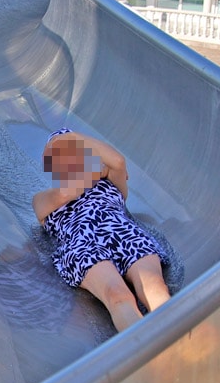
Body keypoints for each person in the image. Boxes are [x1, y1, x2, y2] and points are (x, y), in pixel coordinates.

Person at [33, 128, 171, 331]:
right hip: (83, 244)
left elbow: (118, 162)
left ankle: (180, 343)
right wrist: (95, 168)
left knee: (154, 285)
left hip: (123, 232)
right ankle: (149, 351)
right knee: (117, 295)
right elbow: (67, 192)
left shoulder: (111, 182)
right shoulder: (42, 198)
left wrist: (72, 137)